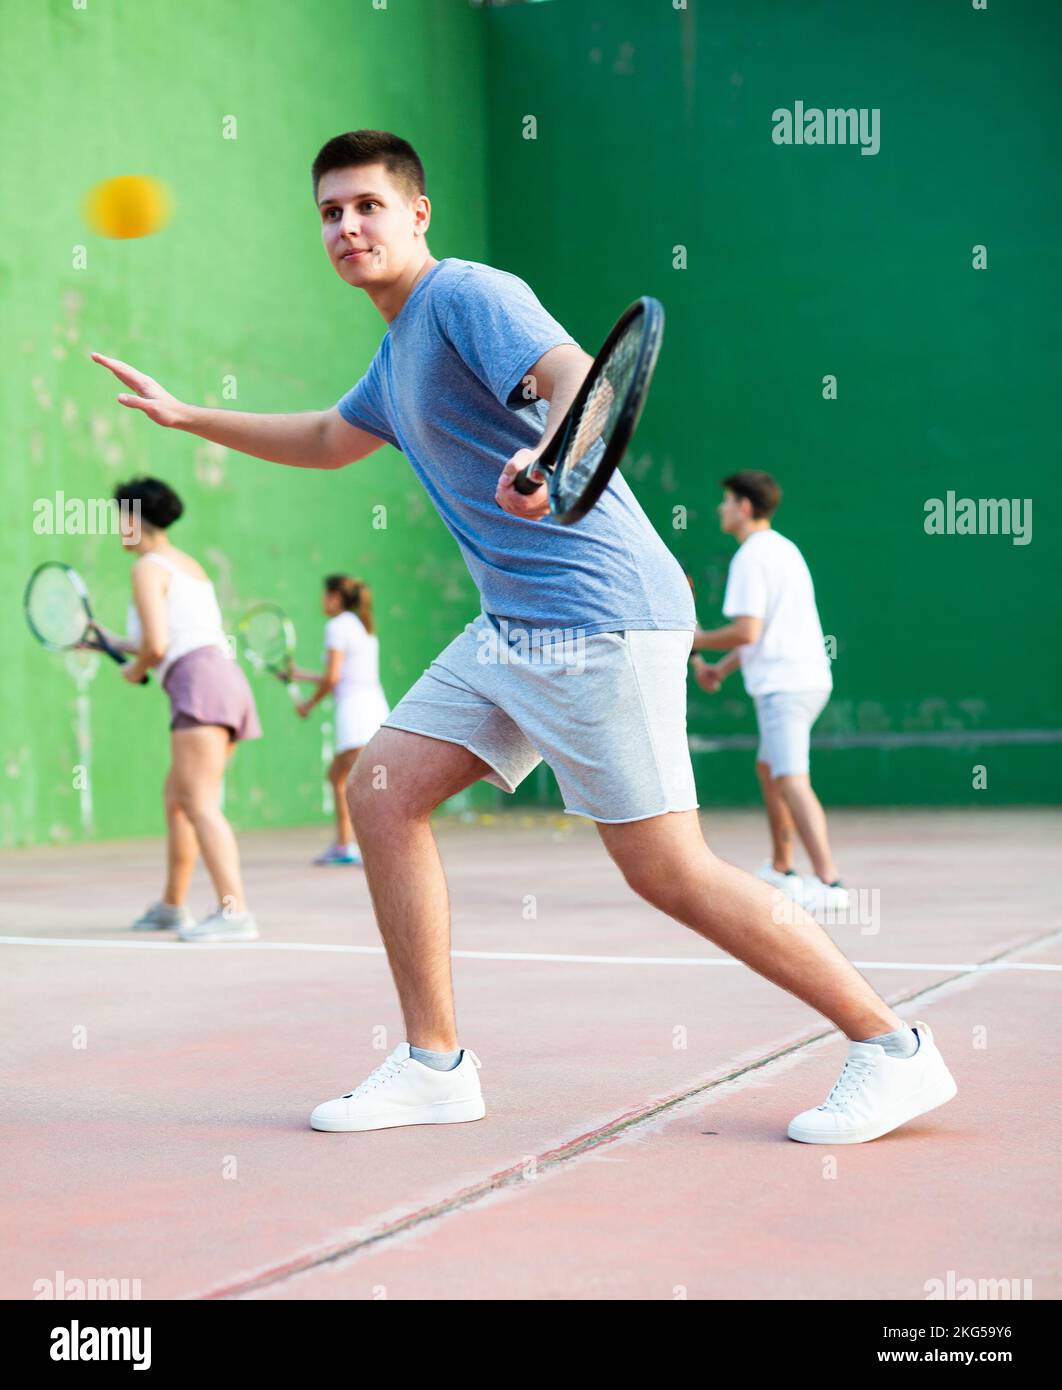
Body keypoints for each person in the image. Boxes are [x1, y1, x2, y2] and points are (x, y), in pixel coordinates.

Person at [90, 130, 957, 1144]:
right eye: (330, 212)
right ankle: (434, 1065)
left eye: (368, 205)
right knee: (380, 790)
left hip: (597, 610)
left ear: (417, 213)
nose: (348, 226)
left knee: (667, 870)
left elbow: (572, 375)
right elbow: (330, 440)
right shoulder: (396, 347)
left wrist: (546, 453)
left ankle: (893, 1048)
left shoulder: (466, 295)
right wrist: (192, 418)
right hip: (515, 624)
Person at [95, 477, 261, 943]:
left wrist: (134, 669)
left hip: (198, 683)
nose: (117, 529)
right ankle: (172, 905)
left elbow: (158, 645)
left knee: (199, 803)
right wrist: (112, 641)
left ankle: (235, 912)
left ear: (133, 519)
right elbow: (168, 637)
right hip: (221, 680)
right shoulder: (186, 564)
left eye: (119, 519)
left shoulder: (147, 566)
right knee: (180, 799)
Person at [690, 472, 846, 912]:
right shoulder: (785, 550)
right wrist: (718, 669)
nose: (720, 509)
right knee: (769, 768)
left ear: (743, 506)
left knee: (793, 780)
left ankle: (831, 884)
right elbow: (765, 634)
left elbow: (746, 629)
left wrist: (698, 642)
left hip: (785, 687)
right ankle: (782, 869)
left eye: (725, 501)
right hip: (805, 678)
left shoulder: (751, 557)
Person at [289, 575, 389, 866]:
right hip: (374, 708)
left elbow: (333, 678)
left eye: (325, 595)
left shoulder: (336, 626)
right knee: (342, 777)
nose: (322, 601)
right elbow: (342, 675)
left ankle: (362, 846)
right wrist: (301, 676)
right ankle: (348, 844)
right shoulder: (362, 626)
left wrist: (308, 704)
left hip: (356, 713)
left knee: (353, 781)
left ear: (335, 597)